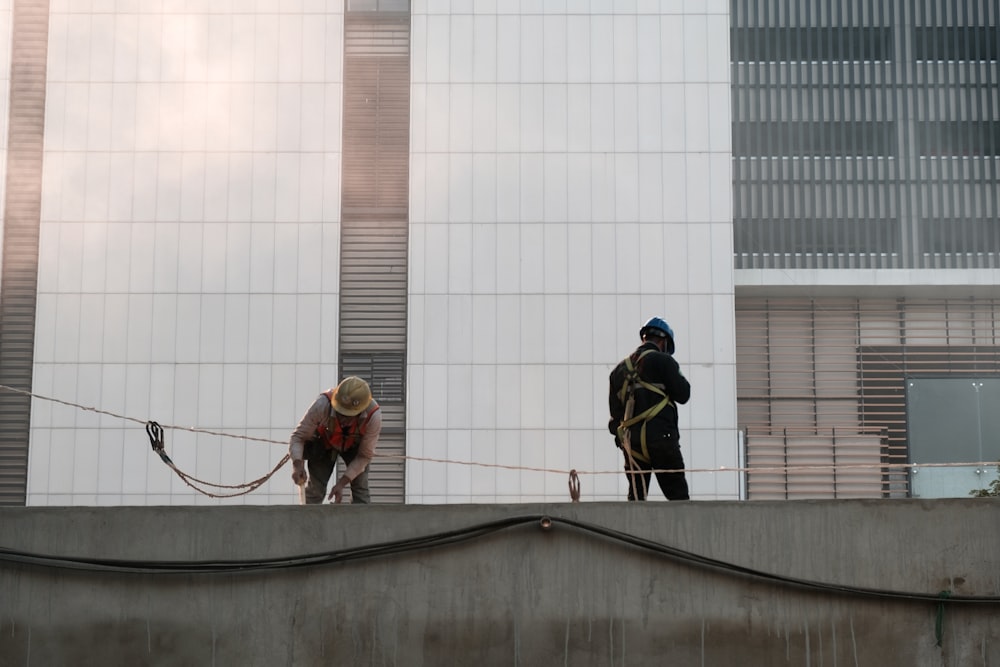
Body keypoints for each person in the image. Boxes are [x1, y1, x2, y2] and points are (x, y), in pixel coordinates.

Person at [608, 317, 691, 501]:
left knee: (636, 499)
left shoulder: (618, 371)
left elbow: (615, 419)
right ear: (663, 342)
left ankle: (629, 531)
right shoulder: (663, 361)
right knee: (679, 499)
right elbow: (683, 394)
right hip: (662, 439)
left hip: (633, 444)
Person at [289, 376, 382, 504]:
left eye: (348, 415)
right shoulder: (322, 404)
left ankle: (361, 523)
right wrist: (297, 465)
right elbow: (298, 437)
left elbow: (364, 456)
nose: (343, 419)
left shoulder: (373, 417)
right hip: (324, 443)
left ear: (360, 412)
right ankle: (307, 521)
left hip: (354, 447)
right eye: (340, 412)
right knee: (315, 490)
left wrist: (342, 483)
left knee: (360, 488)